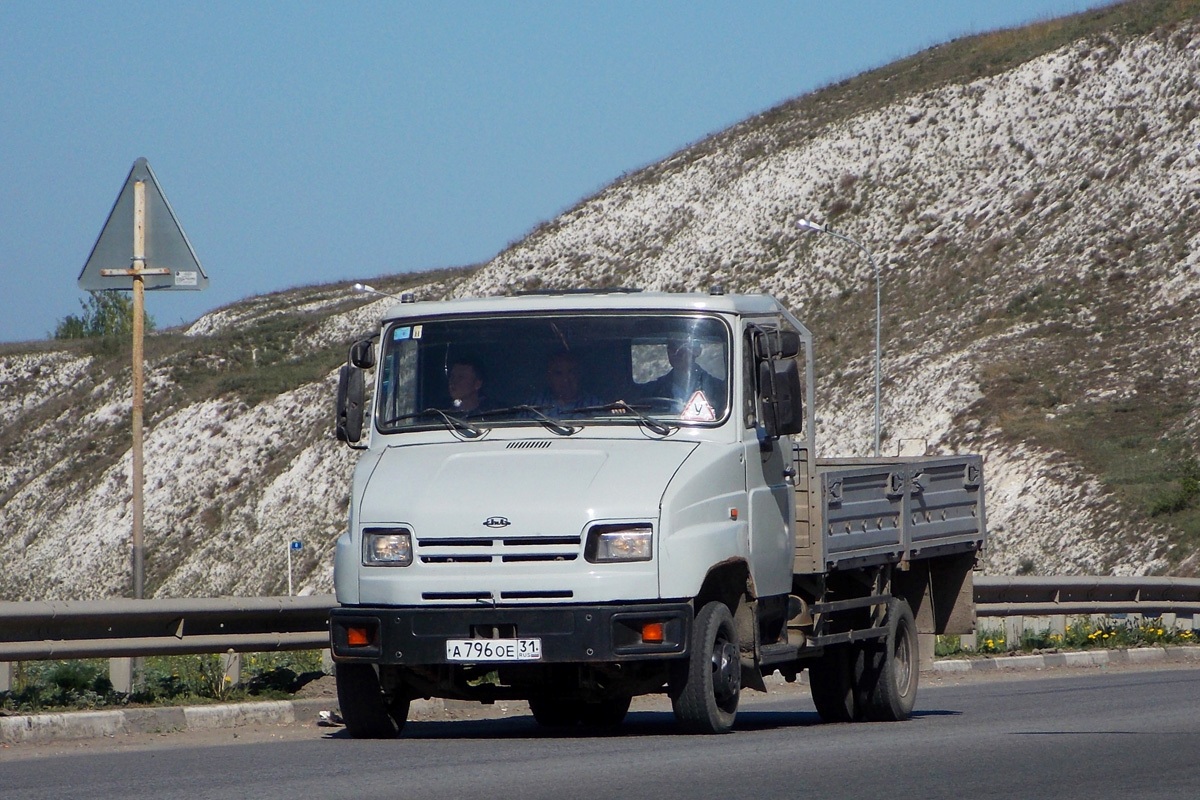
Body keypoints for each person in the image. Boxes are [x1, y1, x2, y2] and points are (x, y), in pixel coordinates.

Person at [637, 337, 726, 418]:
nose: (677, 353)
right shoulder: (650, 392)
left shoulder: (720, 391)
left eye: (683, 348)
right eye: (672, 348)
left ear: (697, 351)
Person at [528, 350, 600, 416]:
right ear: (549, 377)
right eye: (558, 373)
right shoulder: (533, 405)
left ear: (578, 375)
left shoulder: (595, 405)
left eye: (571, 372)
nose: (565, 379)